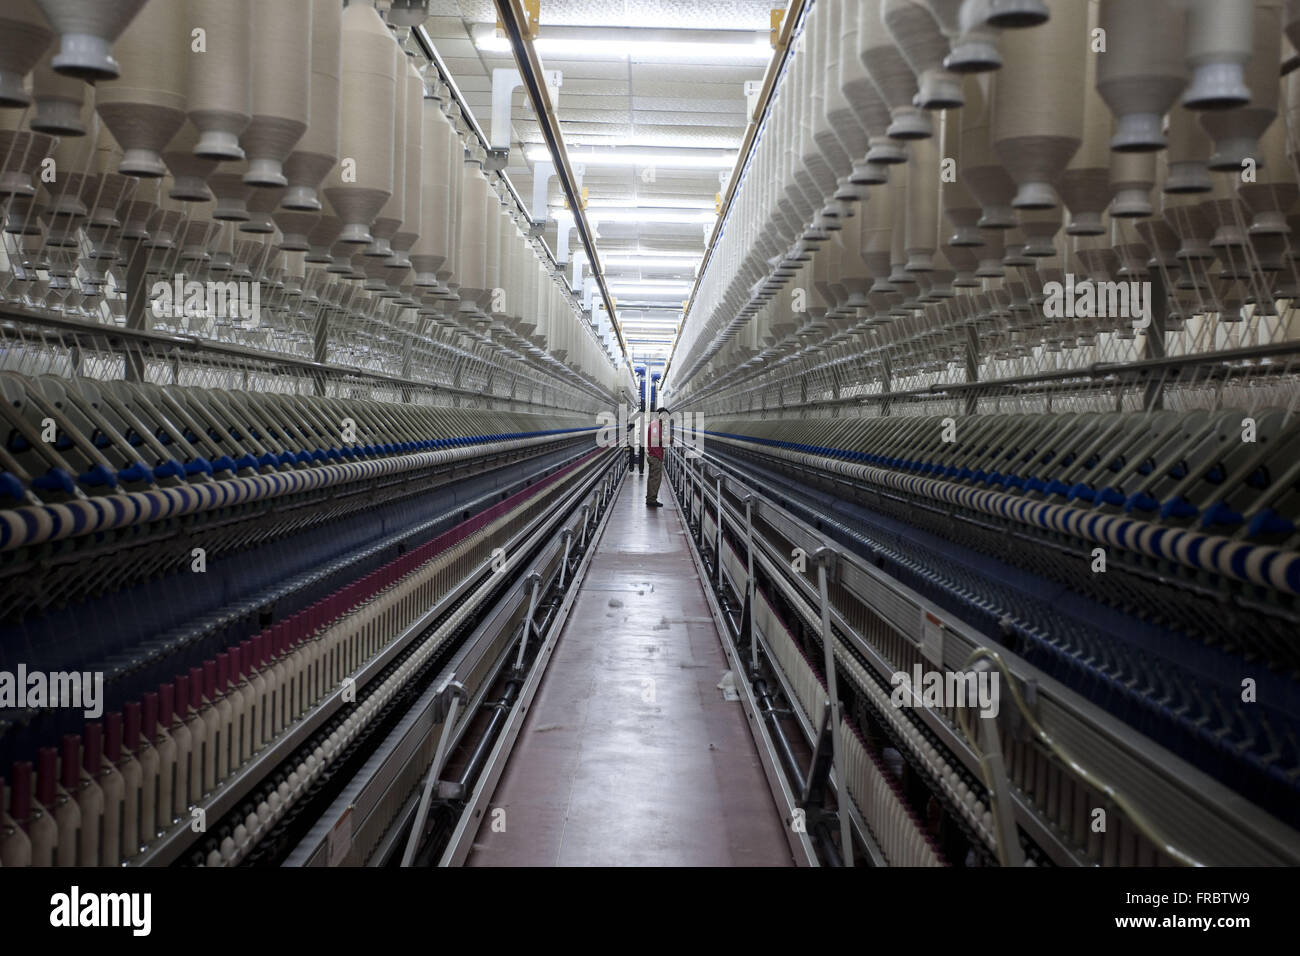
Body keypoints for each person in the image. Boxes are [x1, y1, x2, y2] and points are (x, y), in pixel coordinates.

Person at [645, 407, 666, 508]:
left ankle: (650, 498)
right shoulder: (655, 425)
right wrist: (668, 439)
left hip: (655, 455)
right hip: (655, 456)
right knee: (655, 479)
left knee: (653, 478)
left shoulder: (656, 424)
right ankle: (651, 500)